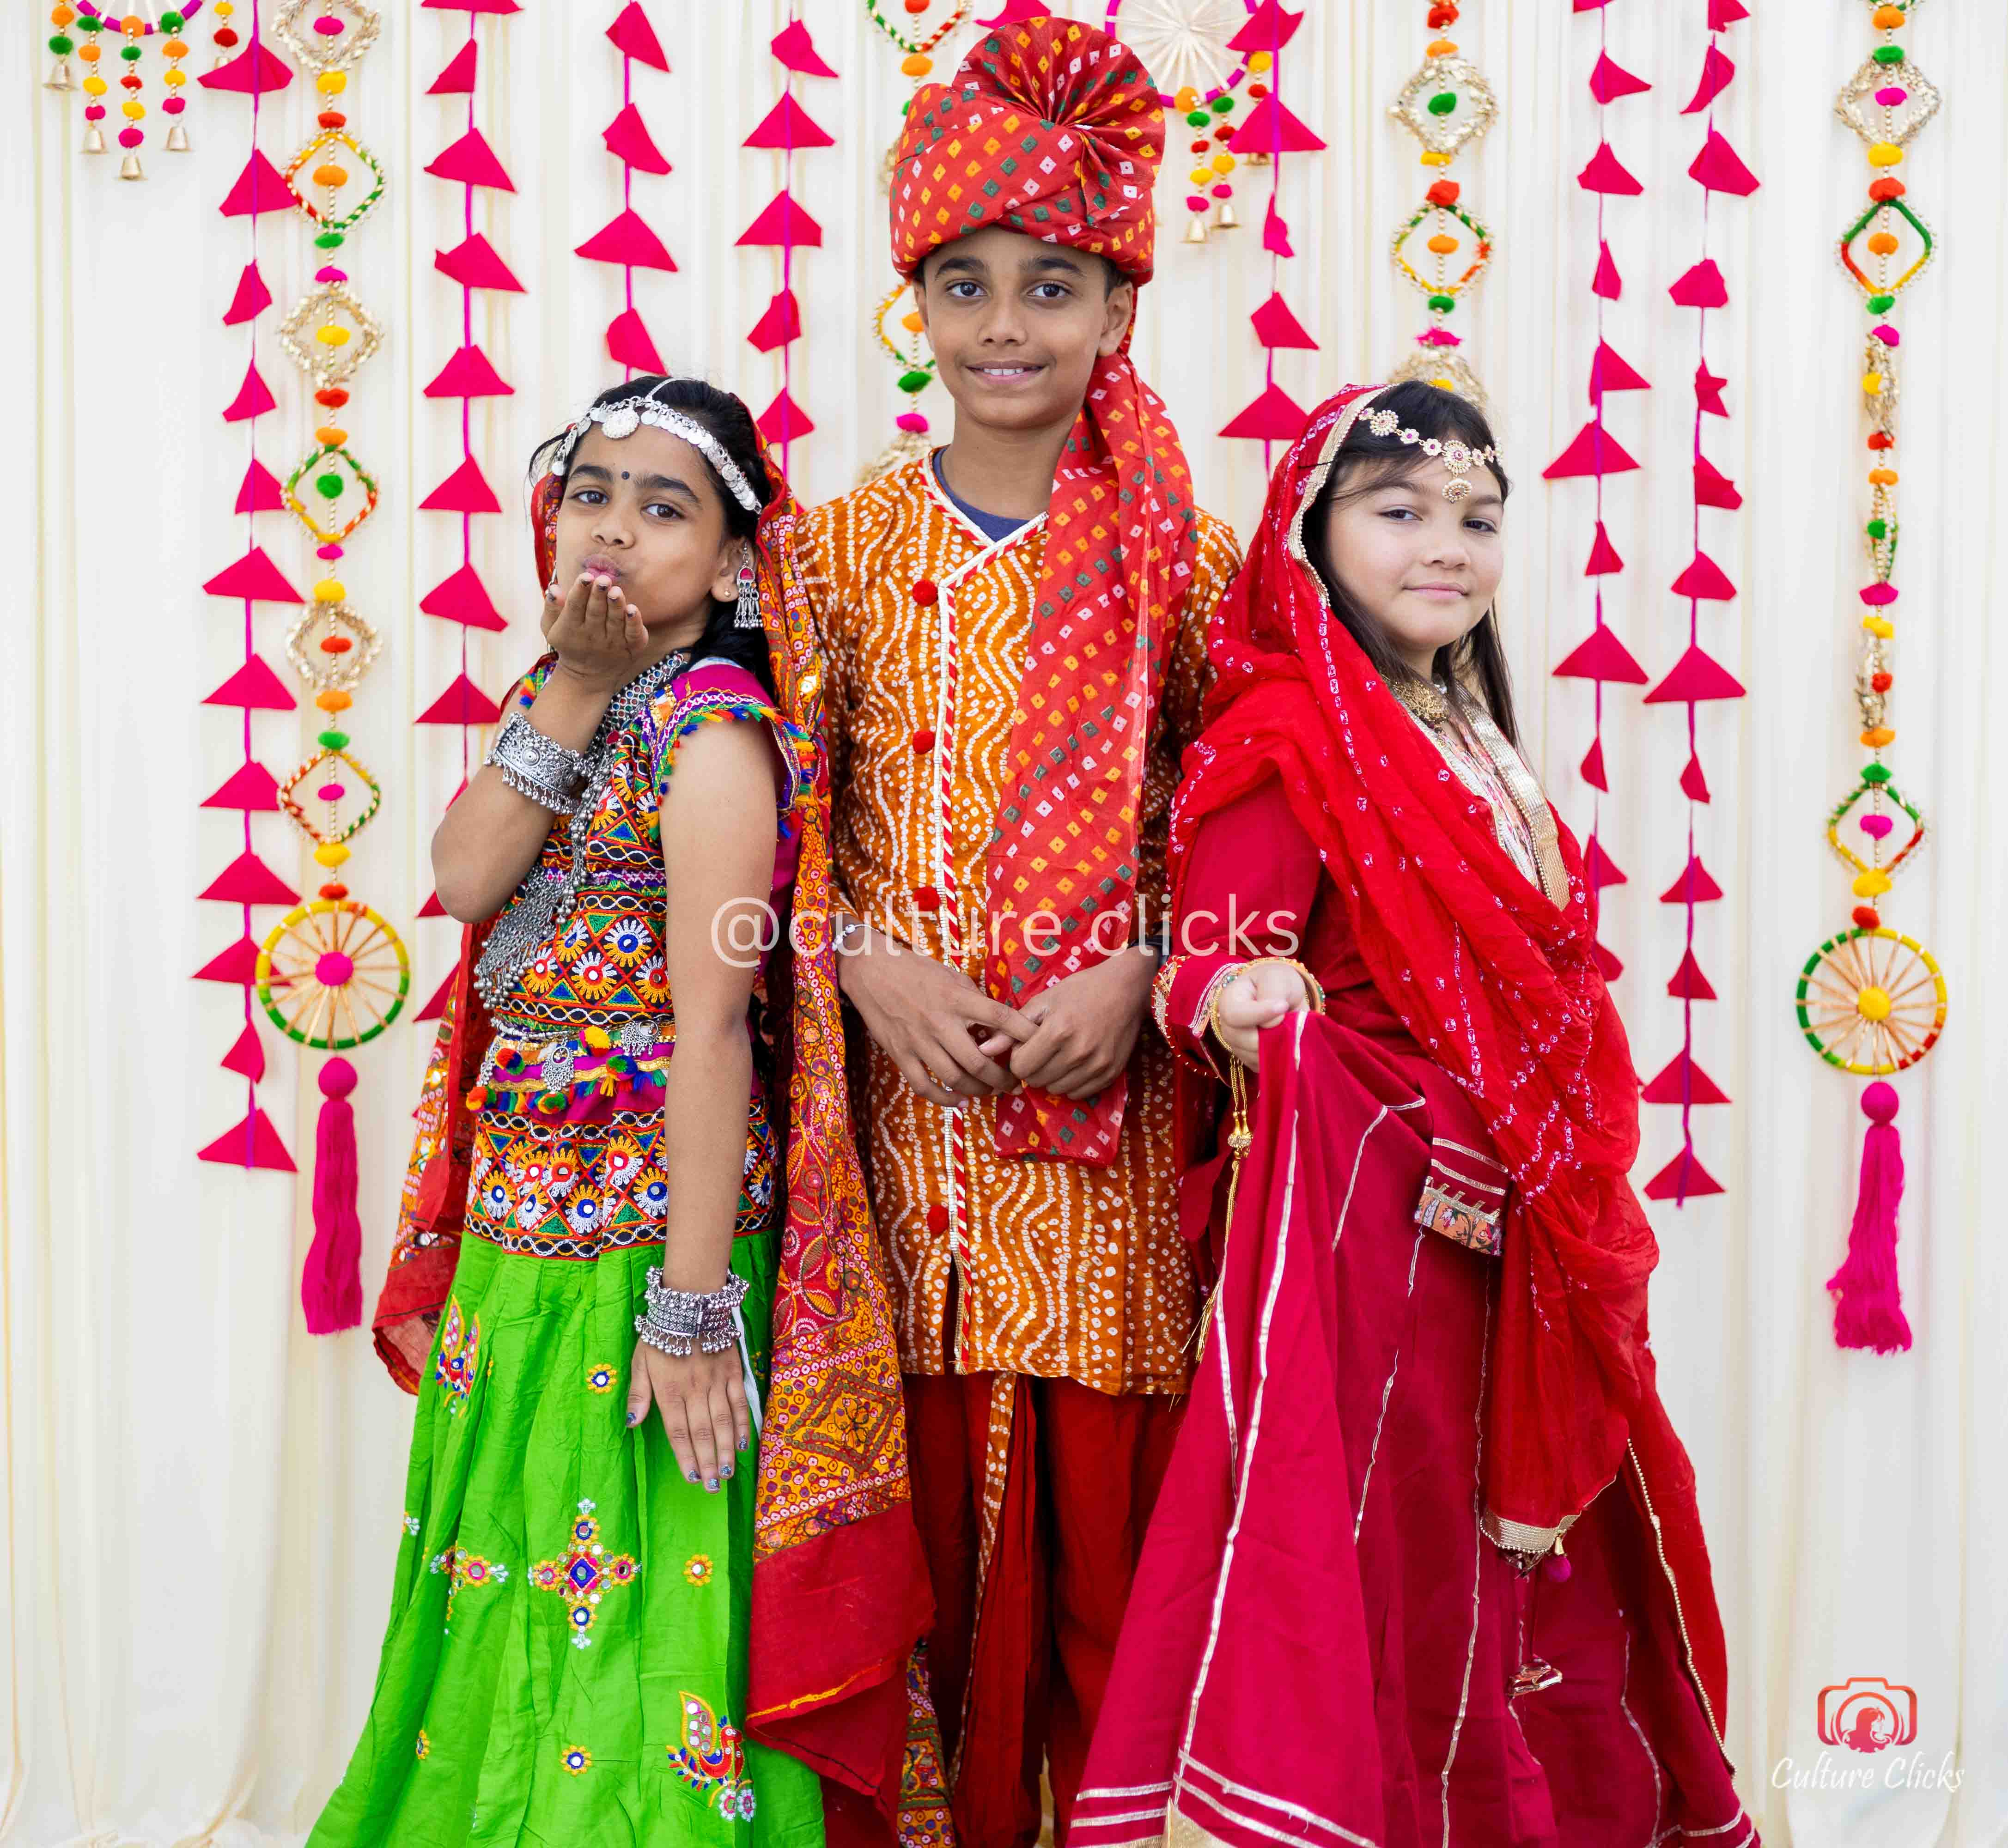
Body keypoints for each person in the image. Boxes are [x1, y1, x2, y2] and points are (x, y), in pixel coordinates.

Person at [1073, 383, 1758, 1848]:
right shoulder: (1283, 728)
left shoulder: (1458, 728)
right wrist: (1239, 998)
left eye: (1476, 518)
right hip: (1381, 1232)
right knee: (1405, 1557)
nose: (1443, 546)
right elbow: (1213, 963)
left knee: (1528, 1575)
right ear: (1312, 536)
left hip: (1524, 1220)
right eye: (1397, 511)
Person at [332, 377, 941, 1846]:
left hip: (640, 1248)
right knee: (513, 1560)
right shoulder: (574, 700)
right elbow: (468, 878)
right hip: (520, 1232)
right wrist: (573, 686)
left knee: (627, 1593)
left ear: (733, 562)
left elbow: (718, 1026)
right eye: (592, 494)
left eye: (664, 507)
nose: (614, 529)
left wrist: (687, 1309)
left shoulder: (716, 733)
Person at [797, 18, 1242, 1848]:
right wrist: (846, 954)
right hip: (894, 1158)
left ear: (1115, 314)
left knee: (1098, 1589)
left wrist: (1150, 968)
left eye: (1051, 286)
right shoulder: (824, 552)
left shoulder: (1192, 564)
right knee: (903, 1564)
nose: (1006, 324)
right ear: (913, 304)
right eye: (966, 283)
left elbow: (1253, 827)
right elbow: (746, 818)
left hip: (1111, 1161)